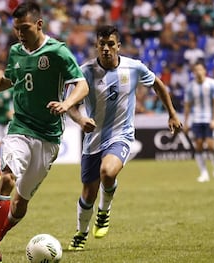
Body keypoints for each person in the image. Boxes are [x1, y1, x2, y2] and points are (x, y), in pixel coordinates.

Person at [0, 2, 89, 263]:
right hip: (20, 128)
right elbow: (5, 81)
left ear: (39, 24)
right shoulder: (15, 51)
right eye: (16, 29)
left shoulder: (58, 51)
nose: (20, 34)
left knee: (20, 204)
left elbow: (81, 84)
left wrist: (67, 104)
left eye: (24, 28)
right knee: (6, 179)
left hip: (49, 137)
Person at [66, 25, 182, 251]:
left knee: (108, 172)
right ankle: (81, 233)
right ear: (96, 46)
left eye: (111, 44)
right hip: (93, 140)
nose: (107, 49)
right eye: (102, 44)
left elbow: (159, 85)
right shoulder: (85, 72)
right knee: (87, 194)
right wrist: (80, 120)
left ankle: (105, 211)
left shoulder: (134, 67)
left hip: (122, 135)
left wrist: (172, 113)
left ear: (118, 46)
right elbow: (71, 105)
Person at [184, 62, 214, 183]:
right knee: (199, 146)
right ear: (194, 72)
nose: (198, 72)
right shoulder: (190, 86)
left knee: (211, 145)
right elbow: (187, 106)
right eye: (196, 70)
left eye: (200, 69)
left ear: (205, 71)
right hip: (196, 119)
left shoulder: (212, 84)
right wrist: (186, 122)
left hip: (208, 119)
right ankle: (204, 173)